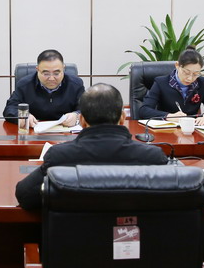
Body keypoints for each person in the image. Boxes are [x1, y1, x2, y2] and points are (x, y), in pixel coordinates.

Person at [15, 83, 168, 210]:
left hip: (76, 237)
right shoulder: (152, 157)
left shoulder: (59, 156)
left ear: (82, 121)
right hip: (132, 236)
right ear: (122, 118)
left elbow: (24, 196)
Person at [136, 47, 204, 125]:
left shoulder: (202, 83)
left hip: (192, 129)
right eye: (186, 72)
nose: (190, 78)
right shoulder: (161, 82)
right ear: (177, 65)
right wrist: (169, 116)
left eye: (195, 74)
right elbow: (144, 110)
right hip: (167, 130)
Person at [3, 49, 85, 128]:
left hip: (65, 132)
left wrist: (76, 115)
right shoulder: (24, 85)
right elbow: (10, 109)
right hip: (33, 131)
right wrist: (23, 116)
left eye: (56, 73)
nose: (51, 78)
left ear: (63, 69)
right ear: (37, 69)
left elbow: (85, 109)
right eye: (46, 74)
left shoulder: (76, 84)